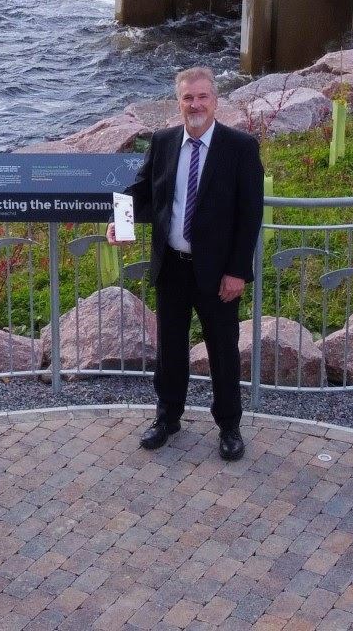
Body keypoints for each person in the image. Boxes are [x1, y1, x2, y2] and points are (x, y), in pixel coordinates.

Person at [118, 65, 264, 461]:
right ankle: (167, 417)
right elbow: (143, 190)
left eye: (202, 97)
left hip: (218, 272)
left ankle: (229, 426)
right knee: (170, 347)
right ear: (178, 103)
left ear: (215, 102)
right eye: (187, 98)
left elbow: (250, 215)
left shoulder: (240, 147)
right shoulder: (164, 141)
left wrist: (237, 271)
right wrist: (122, 223)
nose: (195, 104)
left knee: (222, 349)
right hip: (172, 267)